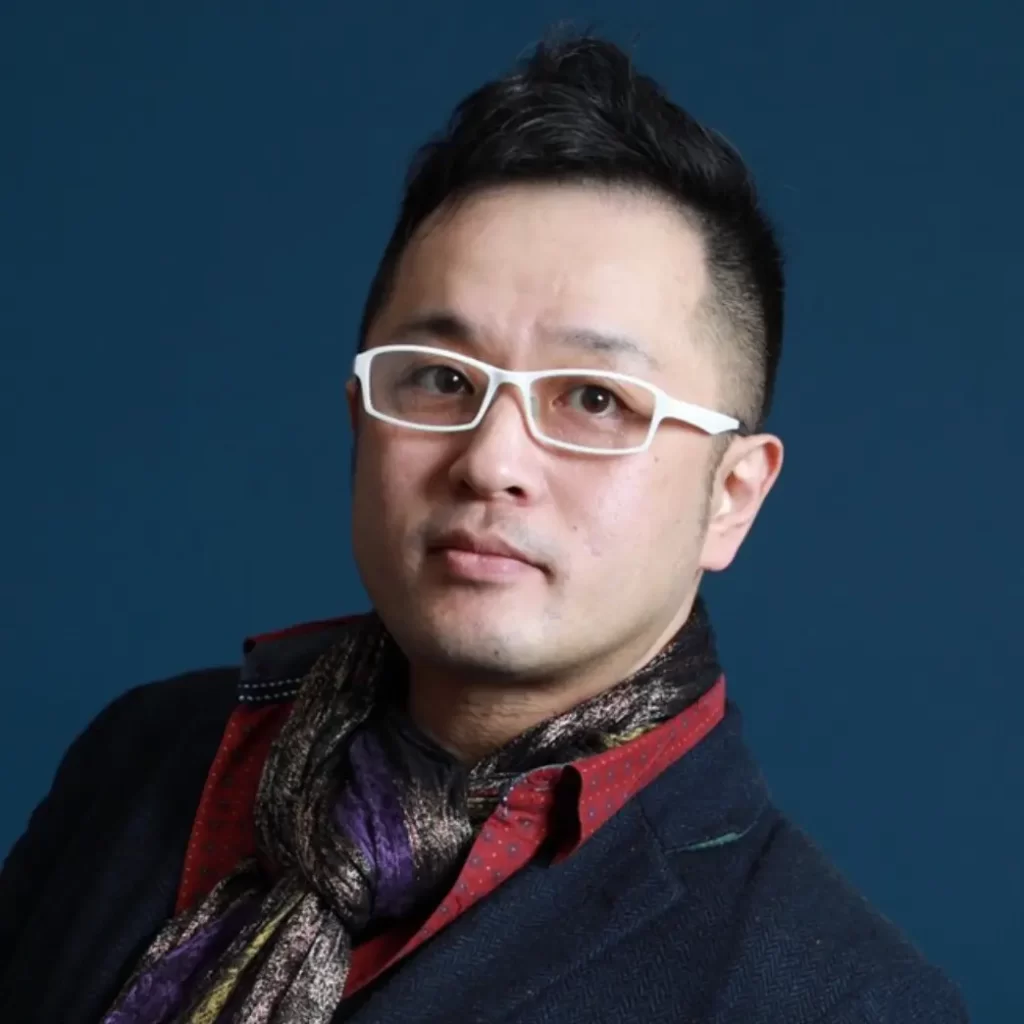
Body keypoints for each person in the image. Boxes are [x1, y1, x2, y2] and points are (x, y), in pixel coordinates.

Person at [0, 32, 968, 1024]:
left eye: (594, 398)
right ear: (359, 420)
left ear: (732, 495)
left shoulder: (841, 1000)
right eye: (440, 379)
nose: (491, 461)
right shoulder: (145, 760)